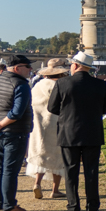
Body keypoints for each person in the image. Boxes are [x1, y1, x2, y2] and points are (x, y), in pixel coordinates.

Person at [47, 52, 106, 211]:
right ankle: (92, 208)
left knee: (71, 172)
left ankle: (73, 208)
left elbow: (52, 108)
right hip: (92, 131)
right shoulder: (100, 85)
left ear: (75, 65)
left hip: (69, 132)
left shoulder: (63, 83)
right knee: (91, 171)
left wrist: (67, 112)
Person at [0, 54, 35, 211]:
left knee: (0, 167)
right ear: (17, 68)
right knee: (10, 169)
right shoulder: (21, 84)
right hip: (14, 131)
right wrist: (0, 124)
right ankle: (9, 205)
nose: (30, 69)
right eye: (28, 66)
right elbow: (16, 112)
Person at [26, 58, 70, 200]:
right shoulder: (60, 85)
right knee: (57, 156)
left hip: (38, 123)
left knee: (41, 153)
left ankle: (37, 183)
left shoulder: (38, 85)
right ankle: (55, 190)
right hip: (56, 122)